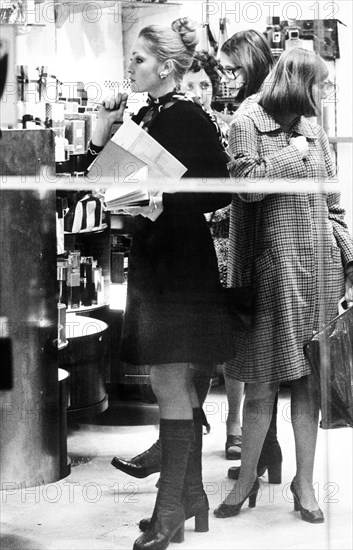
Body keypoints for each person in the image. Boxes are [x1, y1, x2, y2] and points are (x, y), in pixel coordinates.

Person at [89, 18, 235, 550]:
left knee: (169, 382)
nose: (131, 66)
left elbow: (219, 190)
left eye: (140, 59)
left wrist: (165, 200)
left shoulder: (187, 116)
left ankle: (170, 508)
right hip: (156, 260)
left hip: (180, 264)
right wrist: (105, 130)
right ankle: (189, 493)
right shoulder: (149, 114)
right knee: (164, 381)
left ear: (167, 66)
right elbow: (107, 182)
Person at [213, 47, 353, 524]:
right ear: (297, 83)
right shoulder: (247, 120)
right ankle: (247, 476)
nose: (326, 92)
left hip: (320, 270)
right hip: (270, 271)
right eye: (321, 84)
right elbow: (246, 187)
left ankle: (305, 484)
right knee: (262, 382)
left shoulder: (314, 129)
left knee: (309, 385)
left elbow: (333, 203)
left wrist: (351, 262)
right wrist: (292, 156)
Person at [218, 30, 282, 477]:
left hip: (254, 237)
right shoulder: (268, 107)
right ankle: (262, 447)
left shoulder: (251, 113)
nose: (227, 77)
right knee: (257, 346)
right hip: (258, 237)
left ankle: (256, 446)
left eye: (233, 68)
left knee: (254, 345)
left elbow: (251, 184)